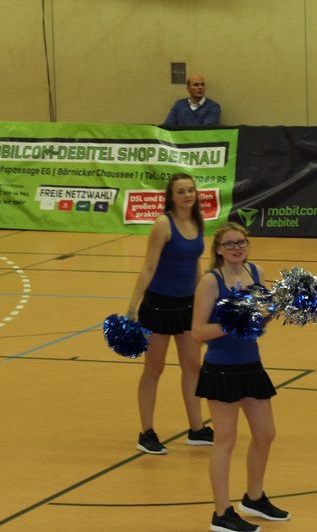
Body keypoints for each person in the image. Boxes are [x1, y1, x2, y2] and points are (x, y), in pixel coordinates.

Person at [192, 222, 290, 532]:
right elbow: (198, 332)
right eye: (230, 244)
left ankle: (254, 497)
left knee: (266, 433)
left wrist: (274, 308)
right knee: (226, 440)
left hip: (251, 364)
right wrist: (233, 322)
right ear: (219, 250)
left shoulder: (257, 272)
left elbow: (260, 319)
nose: (236, 248)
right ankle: (222, 513)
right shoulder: (211, 281)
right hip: (221, 368)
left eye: (241, 242)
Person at [127, 173, 212, 454]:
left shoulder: (197, 222)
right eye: (181, 191)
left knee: (192, 367)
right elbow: (149, 266)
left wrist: (205, 299)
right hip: (158, 307)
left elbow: (195, 265)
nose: (188, 195)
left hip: (187, 306)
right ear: (171, 197)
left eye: (191, 190)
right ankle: (146, 433)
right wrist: (133, 305)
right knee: (154, 369)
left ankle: (197, 428)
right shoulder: (163, 224)